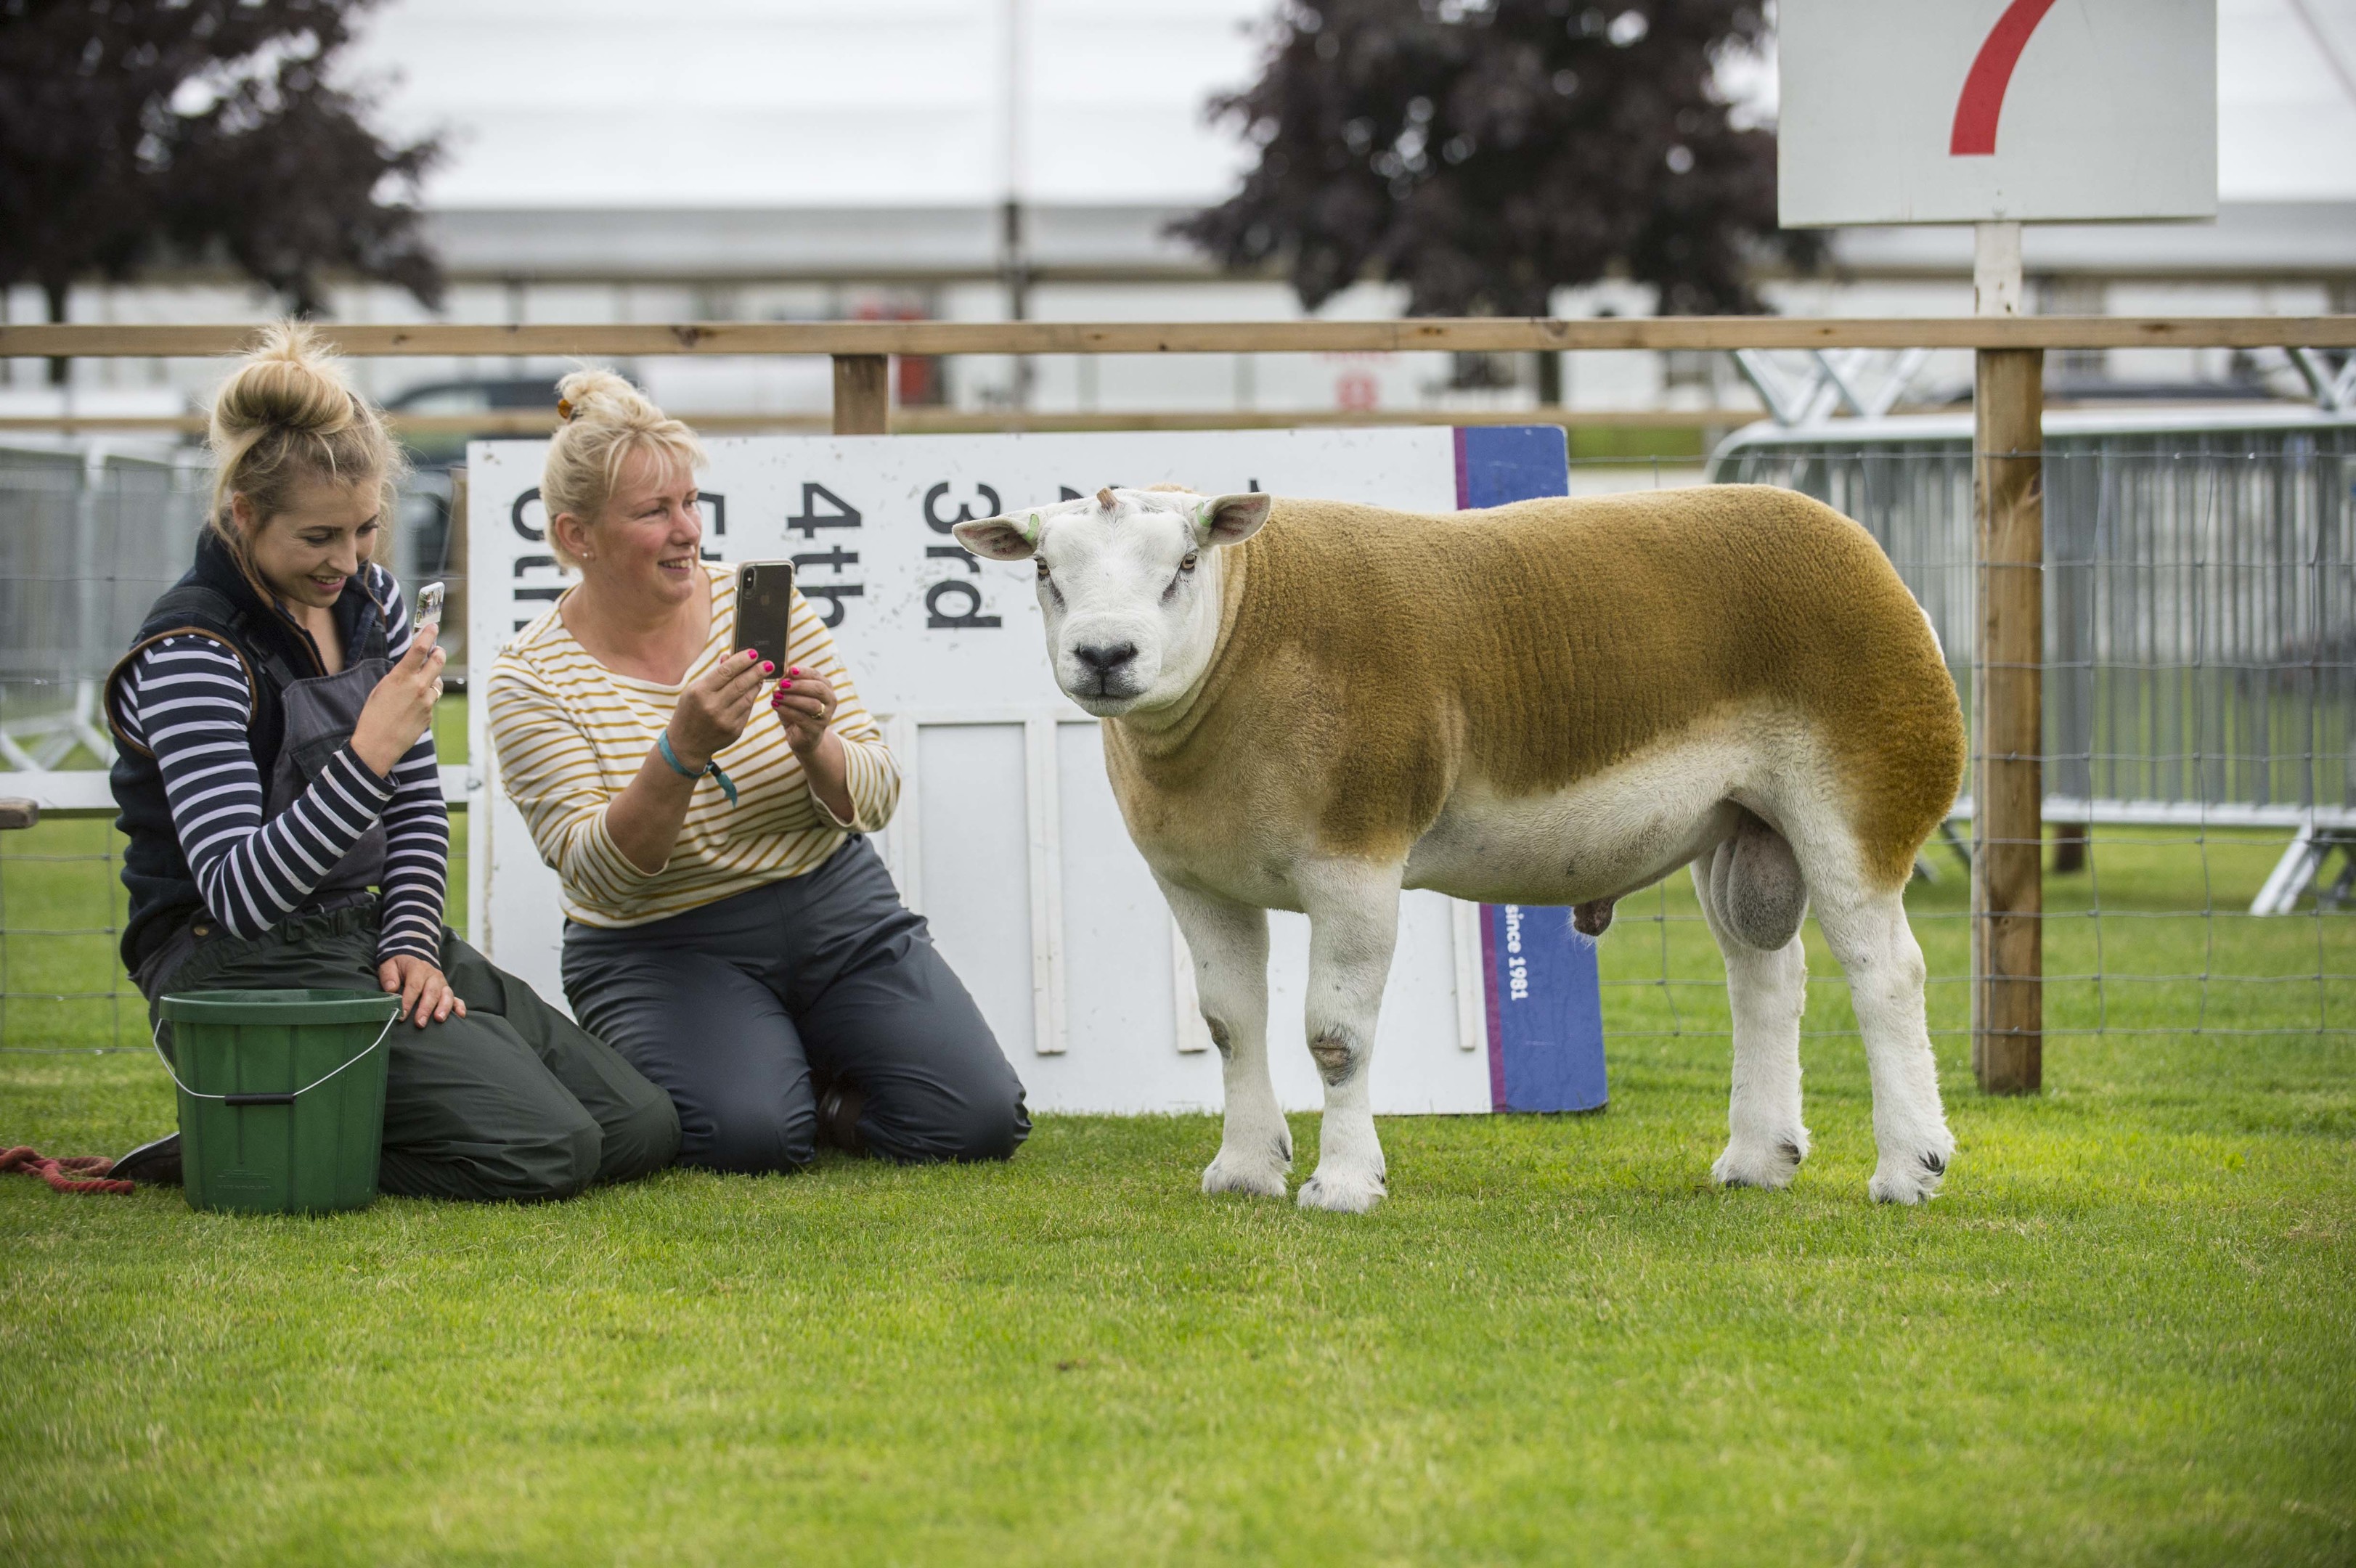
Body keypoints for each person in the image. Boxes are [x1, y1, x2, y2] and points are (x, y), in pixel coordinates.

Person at [105, 324, 679, 1201]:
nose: (348, 559)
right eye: (318, 538)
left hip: (360, 932)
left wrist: (411, 942)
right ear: (244, 516)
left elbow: (415, 810)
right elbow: (238, 891)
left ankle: (293, 1114)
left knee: (639, 1127)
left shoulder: (370, 595)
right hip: (231, 965)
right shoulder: (191, 648)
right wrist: (367, 750)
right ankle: (243, 1135)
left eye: (366, 528)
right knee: (550, 1151)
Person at [485, 371, 1028, 1172]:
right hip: (660, 944)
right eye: (652, 512)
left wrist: (819, 748)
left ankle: (810, 1088)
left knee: (980, 1122)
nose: (687, 532)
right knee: (752, 1139)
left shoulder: (761, 606)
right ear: (576, 536)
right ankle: (773, 1081)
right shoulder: (529, 679)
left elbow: (877, 794)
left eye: (690, 503)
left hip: (833, 905)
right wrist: (680, 753)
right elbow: (600, 877)